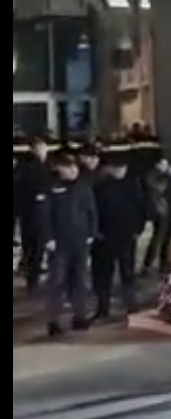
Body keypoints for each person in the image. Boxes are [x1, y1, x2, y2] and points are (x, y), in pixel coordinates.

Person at [37, 153, 98, 336]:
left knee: (80, 280)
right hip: (59, 243)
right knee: (57, 282)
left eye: (74, 167)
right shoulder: (50, 187)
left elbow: (91, 210)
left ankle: (80, 316)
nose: (73, 171)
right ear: (58, 168)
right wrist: (48, 238)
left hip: (80, 240)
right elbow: (43, 215)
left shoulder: (83, 187)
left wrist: (92, 233)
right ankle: (54, 321)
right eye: (68, 168)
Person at [90, 149, 146, 320]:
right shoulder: (99, 186)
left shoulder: (132, 185)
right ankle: (103, 307)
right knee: (103, 274)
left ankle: (130, 305)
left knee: (127, 272)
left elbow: (141, 207)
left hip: (127, 235)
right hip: (104, 237)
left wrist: (139, 228)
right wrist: (96, 231)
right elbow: (93, 211)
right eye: (117, 168)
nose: (120, 171)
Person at [18, 136, 54, 293]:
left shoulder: (22, 167)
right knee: (37, 248)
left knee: (30, 248)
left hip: (27, 215)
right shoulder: (38, 168)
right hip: (38, 214)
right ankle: (33, 279)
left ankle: (31, 279)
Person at [141, 157, 171, 275]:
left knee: (167, 237)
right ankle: (148, 264)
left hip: (170, 209)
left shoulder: (169, 176)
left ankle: (164, 262)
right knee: (158, 237)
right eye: (163, 164)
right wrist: (167, 176)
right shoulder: (153, 176)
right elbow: (158, 188)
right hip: (160, 211)